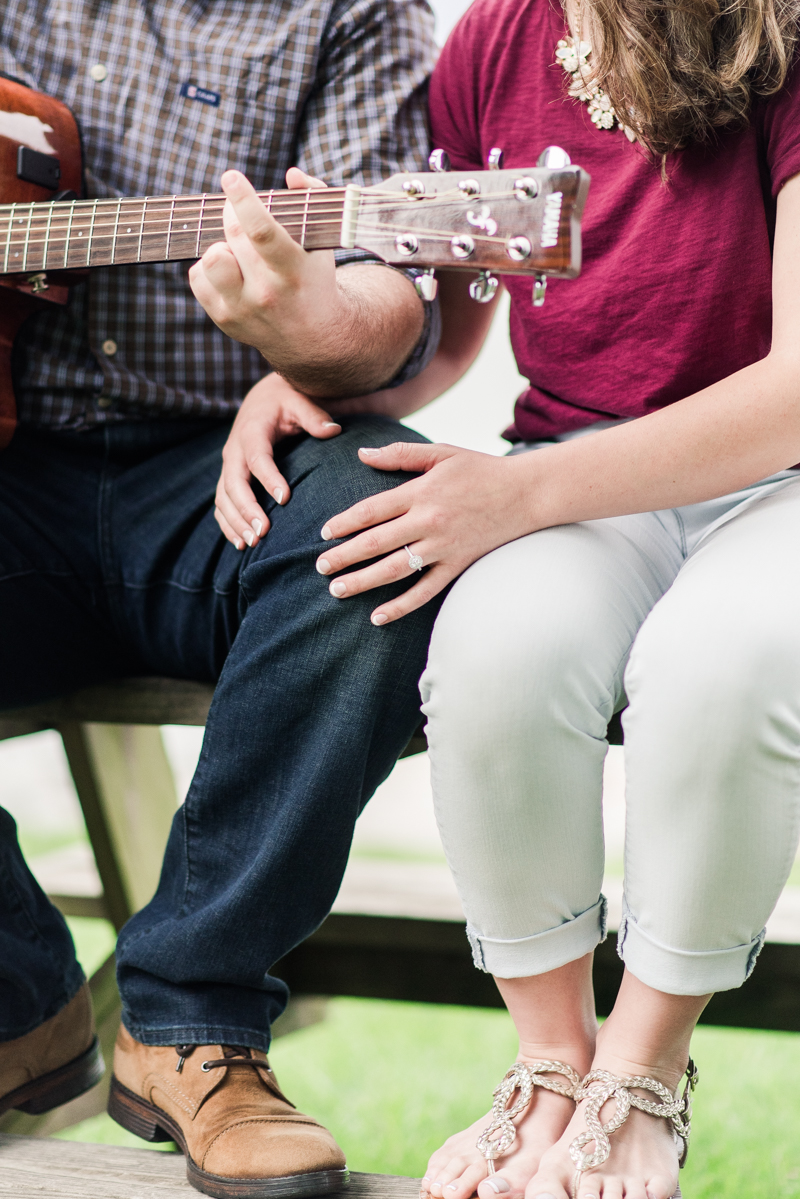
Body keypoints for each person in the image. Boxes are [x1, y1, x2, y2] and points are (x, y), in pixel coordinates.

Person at [243, 0, 800, 1194]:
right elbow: (449, 339)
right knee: (496, 649)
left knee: (722, 662)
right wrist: (308, 367)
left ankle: (644, 1073)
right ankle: (550, 1061)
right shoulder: (494, 41)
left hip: (778, 476)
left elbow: (795, 388)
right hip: (578, 473)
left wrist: (516, 493)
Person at [0, 2, 441, 1196]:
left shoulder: (355, 15)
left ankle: (193, 1021)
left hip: (224, 473)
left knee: (379, 515)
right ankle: (13, 1001)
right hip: (12, 468)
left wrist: (309, 333)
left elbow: (390, 294)